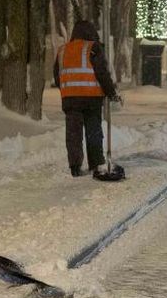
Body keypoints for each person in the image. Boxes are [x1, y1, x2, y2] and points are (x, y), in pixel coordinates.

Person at [53, 20, 123, 181]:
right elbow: (102, 73)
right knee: (93, 131)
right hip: (91, 98)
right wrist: (111, 92)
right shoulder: (92, 48)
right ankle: (96, 163)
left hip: (70, 99)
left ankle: (75, 167)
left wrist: (67, 89)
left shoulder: (63, 50)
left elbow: (57, 76)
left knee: (73, 134)